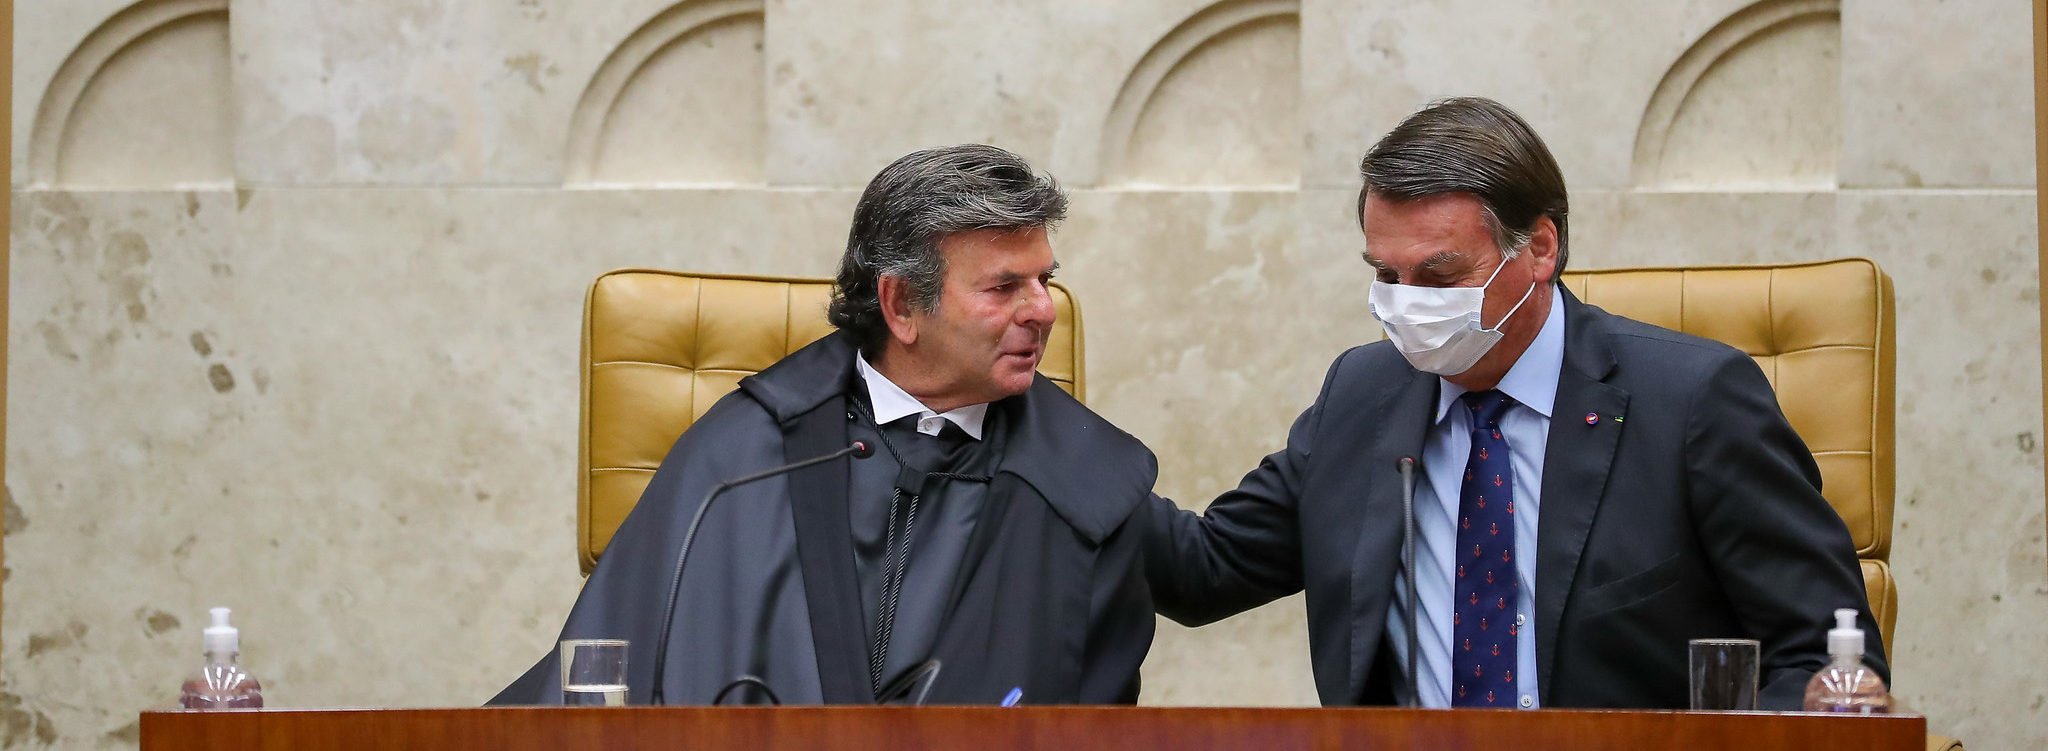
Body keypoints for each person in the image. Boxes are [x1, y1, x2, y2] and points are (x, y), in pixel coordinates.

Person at [1143, 97, 1886, 710]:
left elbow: (1824, 654)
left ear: (1539, 249)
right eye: (1387, 275)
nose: (1407, 306)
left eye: (1439, 277)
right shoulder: (1364, 395)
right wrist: (1029, 410)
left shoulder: (1694, 402)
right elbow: (1203, 570)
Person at [494, 144, 1156, 705]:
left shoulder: (1075, 470)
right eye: (1005, 287)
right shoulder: (748, 453)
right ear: (900, 304)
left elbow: (1211, 563)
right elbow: (602, 678)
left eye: (1045, 279)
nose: (1044, 309)